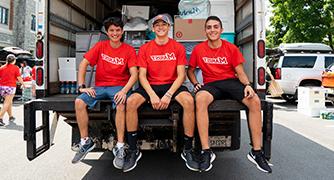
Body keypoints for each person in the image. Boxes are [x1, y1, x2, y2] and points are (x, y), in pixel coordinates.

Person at [187, 16, 272, 173]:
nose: (212, 30)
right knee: (200, 99)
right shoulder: (199, 49)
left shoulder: (231, 48)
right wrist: (195, 84)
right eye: (209, 27)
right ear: (205, 31)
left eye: (215, 27)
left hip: (230, 82)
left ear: (221, 30)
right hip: (211, 84)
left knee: (254, 101)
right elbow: (190, 70)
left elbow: (240, 72)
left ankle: (256, 152)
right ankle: (206, 151)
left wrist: (247, 85)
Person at [123, 14, 198, 172]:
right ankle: (132, 150)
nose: (160, 27)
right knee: (130, 102)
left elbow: (181, 76)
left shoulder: (177, 47)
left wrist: (169, 95)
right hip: (150, 85)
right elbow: (142, 76)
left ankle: (188, 149)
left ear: (169, 27)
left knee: (189, 101)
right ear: (152, 28)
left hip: (173, 85)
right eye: (157, 25)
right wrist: (152, 95)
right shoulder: (145, 48)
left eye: (163, 24)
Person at [71, 17, 138, 170]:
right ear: (107, 32)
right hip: (100, 87)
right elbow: (83, 63)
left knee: (121, 104)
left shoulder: (128, 50)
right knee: (79, 102)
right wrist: (82, 86)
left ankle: (120, 146)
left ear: (122, 31)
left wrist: (124, 90)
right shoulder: (100, 46)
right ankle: (85, 141)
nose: (115, 33)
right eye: (112, 30)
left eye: (118, 30)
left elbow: (134, 74)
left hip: (119, 86)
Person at [0, 54, 25, 126]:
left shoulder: (2, 67)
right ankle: (0, 118)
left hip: (2, 87)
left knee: (9, 101)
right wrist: (23, 84)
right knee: (7, 102)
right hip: (10, 87)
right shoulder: (15, 67)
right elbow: (19, 77)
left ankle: (11, 116)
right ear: (14, 60)